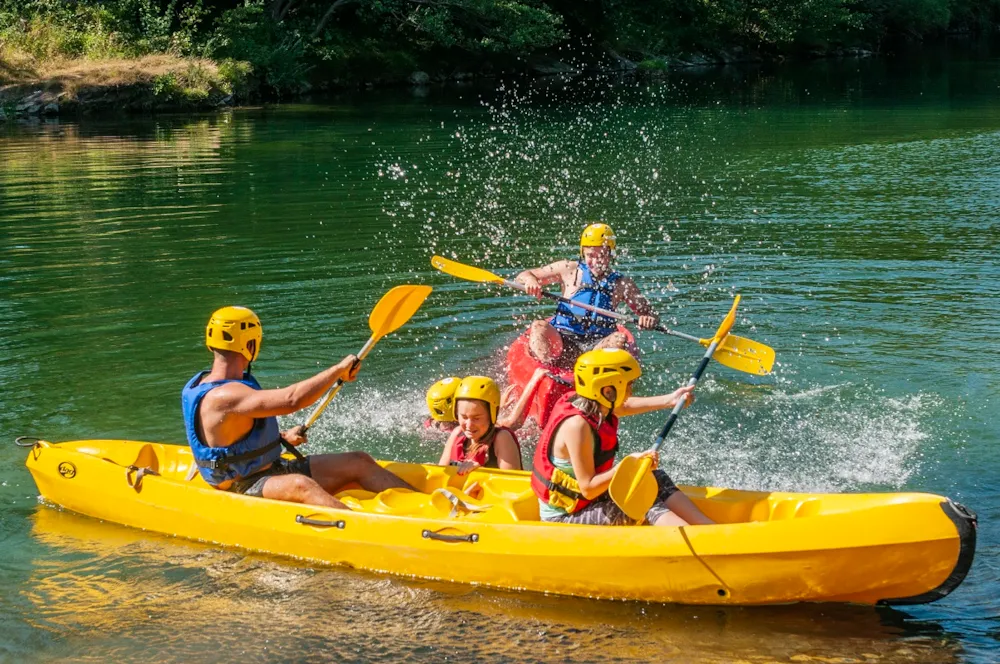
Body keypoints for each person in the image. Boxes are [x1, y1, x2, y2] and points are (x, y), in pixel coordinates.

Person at [182, 306, 416, 509]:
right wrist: (338, 370)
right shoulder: (224, 395)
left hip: (272, 468)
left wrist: (282, 438)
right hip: (243, 484)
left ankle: (425, 507)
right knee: (301, 485)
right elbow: (292, 400)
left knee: (359, 460)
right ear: (250, 344)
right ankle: (366, 531)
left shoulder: (215, 384)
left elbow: (231, 436)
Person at [530, 348, 714, 526]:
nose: (631, 391)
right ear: (607, 390)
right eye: (628, 385)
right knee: (642, 503)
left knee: (655, 478)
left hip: (585, 501)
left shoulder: (592, 402)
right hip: (566, 515)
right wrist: (627, 466)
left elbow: (623, 406)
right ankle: (698, 541)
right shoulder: (576, 426)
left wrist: (670, 400)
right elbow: (588, 488)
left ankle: (708, 528)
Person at [515, 222, 659, 368]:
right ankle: (545, 371)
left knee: (619, 338)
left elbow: (650, 314)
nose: (595, 261)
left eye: (601, 255)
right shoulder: (568, 269)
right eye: (590, 255)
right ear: (582, 252)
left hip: (598, 345)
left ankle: (597, 372)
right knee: (538, 326)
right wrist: (530, 281)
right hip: (563, 339)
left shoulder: (622, 283)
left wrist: (648, 319)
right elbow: (523, 275)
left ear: (611, 254)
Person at [437, 376, 523, 475]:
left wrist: (480, 471)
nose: (469, 425)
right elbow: (441, 474)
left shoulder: (502, 439)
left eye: (476, 418)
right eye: (464, 417)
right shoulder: (457, 433)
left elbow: (511, 482)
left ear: (491, 416)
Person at [424, 368, 549, 435]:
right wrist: (534, 381)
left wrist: (495, 408)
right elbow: (513, 423)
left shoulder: (432, 424)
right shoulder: (467, 431)